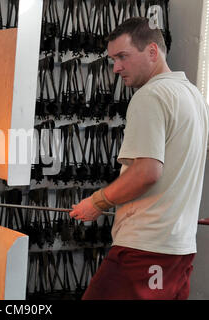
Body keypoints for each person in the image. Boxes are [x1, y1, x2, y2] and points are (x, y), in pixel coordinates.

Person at [69, 17, 209, 300]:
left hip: (145, 249)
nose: (116, 67)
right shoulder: (194, 96)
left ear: (152, 52)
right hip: (179, 249)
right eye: (112, 59)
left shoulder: (151, 96)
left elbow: (147, 172)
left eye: (123, 57)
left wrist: (96, 202)